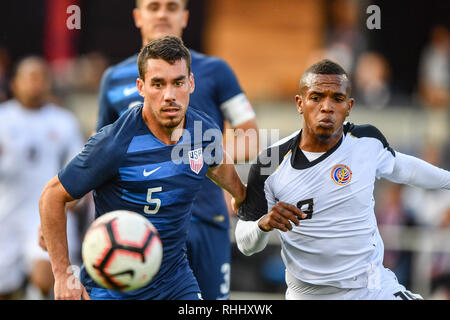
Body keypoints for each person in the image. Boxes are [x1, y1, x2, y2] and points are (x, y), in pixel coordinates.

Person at [39, 36, 246, 300]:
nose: (170, 95)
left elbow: (217, 166)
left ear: (191, 83)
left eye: (178, 82)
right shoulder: (114, 144)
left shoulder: (204, 132)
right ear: (141, 87)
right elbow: (52, 196)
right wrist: (63, 275)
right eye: (158, 84)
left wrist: (241, 195)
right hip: (112, 285)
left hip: (175, 282)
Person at [234, 59, 450, 300]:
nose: (326, 107)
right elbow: (246, 244)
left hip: (372, 288)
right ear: (300, 103)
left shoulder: (367, 140)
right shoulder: (269, 162)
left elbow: (405, 168)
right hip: (310, 295)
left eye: (336, 99)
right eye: (316, 97)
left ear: (349, 106)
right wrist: (264, 224)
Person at [96, 0, 258, 300]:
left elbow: (250, 136)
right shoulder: (113, 78)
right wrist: (64, 206)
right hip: (137, 228)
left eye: (171, 7)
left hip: (206, 217)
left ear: (185, 17)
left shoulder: (216, 70)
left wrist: (203, 160)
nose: (161, 14)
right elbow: (97, 155)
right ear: (137, 16)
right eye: (153, 6)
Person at [0, 56, 84, 299]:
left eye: (40, 77)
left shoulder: (63, 121)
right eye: (29, 77)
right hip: (6, 214)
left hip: (45, 214)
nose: (35, 84)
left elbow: (78, 173)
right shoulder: (3, 118)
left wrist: (65, 208)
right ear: (15, 83)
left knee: (44, 280)